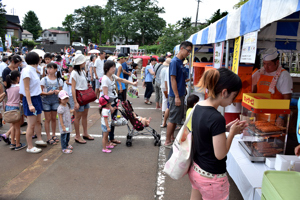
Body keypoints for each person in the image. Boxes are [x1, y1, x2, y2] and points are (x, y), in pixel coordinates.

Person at [189, 68, 247, 200]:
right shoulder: (216, 118)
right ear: (225, 92)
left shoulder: (198, 106)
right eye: (233, 96)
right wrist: (232, 133)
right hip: (212, 177)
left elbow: (204, 132)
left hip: (196, 169)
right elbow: (220, 154)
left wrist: (225, 129)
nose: (232, 102)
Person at [252, 48, 293, 125]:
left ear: (277, 62)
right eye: (264, 63)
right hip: (259, 113)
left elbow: (287, 98)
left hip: (275, 116)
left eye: (269, 64)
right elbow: (253, 91)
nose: (266, 67)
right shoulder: (260, 72)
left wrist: (281, 117)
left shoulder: (284, 75)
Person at [101, 60, 138, 145]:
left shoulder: (112, 76)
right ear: (107, 68)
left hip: (114, 102)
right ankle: (106, 142)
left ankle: (111, 139)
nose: (114, 69)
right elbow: (105, 95)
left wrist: (132, 83)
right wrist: (109, 106)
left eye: (114, 67)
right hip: (108, 105)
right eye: (112, 67)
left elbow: (121, 79)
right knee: (107, 123)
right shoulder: (105, 79)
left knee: (113, 122)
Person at [164, 41, 192, 147]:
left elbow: (180, 79)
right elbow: (173, 79)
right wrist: (176, 96)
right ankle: (167, 141)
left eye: (190, 51)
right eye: (188, 50)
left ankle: (171, 138)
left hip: (179, 93)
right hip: (176, 95)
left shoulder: (180, 61)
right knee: (173, 119)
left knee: (175, 118)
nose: (188, 53)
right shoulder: (175, 62)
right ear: (181, 48)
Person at [20, 52, 46, 153]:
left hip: (37, 97)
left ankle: (39, 139)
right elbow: (27, 89)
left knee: (38, 121)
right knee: (31, 124)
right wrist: (30, 104)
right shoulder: (27, 71)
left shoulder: (33, 69)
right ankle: (29, 146)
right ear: (37, 60)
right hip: (31, 99)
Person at [71, 54, 94, 144]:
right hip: (79, 96)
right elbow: (73, 88)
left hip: (84, 95)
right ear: (80, 63)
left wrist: (87, 85)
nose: (85, 63)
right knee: (78, 117)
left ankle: (85, 133)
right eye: (84, 62)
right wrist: (75, 102)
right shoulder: (74, 73)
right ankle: (77, 135)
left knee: (84, 115)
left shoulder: (83, 71)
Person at [40, 63, 63, 145]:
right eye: (48, 68)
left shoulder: (59, 80)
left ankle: (53, 135)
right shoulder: (44, 79)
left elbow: (62, 91)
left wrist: (58, 92)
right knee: (47, 119)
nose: (48, 70)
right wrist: (47, 93)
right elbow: (40, 92)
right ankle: (48, 137)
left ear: (56, 69)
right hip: (46, 100)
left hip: (55, 101)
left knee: (54, 118)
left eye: (51, 68)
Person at [5, 70, 26, 150]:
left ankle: (12, 142)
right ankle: (17, 144)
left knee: (13, 126)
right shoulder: (19, 87)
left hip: (8, 107)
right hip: (16, 108)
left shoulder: (8, 88)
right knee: (17, 127)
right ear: (18, 78)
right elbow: (21, 97)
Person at [160, 58, 171, 127]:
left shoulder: (163, 69)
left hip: (163, 86)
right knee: (167, 100)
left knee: (164, 99)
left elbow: (160, 77)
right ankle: (164, 111)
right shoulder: (168, 69)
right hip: (166, 86)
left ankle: (163, 110)